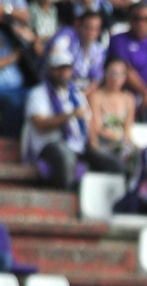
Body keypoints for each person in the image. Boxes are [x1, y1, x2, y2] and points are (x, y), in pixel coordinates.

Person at [24, 46, 121, 190]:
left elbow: (88, 122)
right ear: (50, 70)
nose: (64, 72)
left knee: (114, 162)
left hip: (78, 144)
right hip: (49, 145)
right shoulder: (39, 93)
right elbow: (40, 124)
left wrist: (93, 141)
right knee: (66, 155)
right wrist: (70, 116)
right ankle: (62, 197)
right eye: (59, 68)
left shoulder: (77, 95)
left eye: (67, 68)